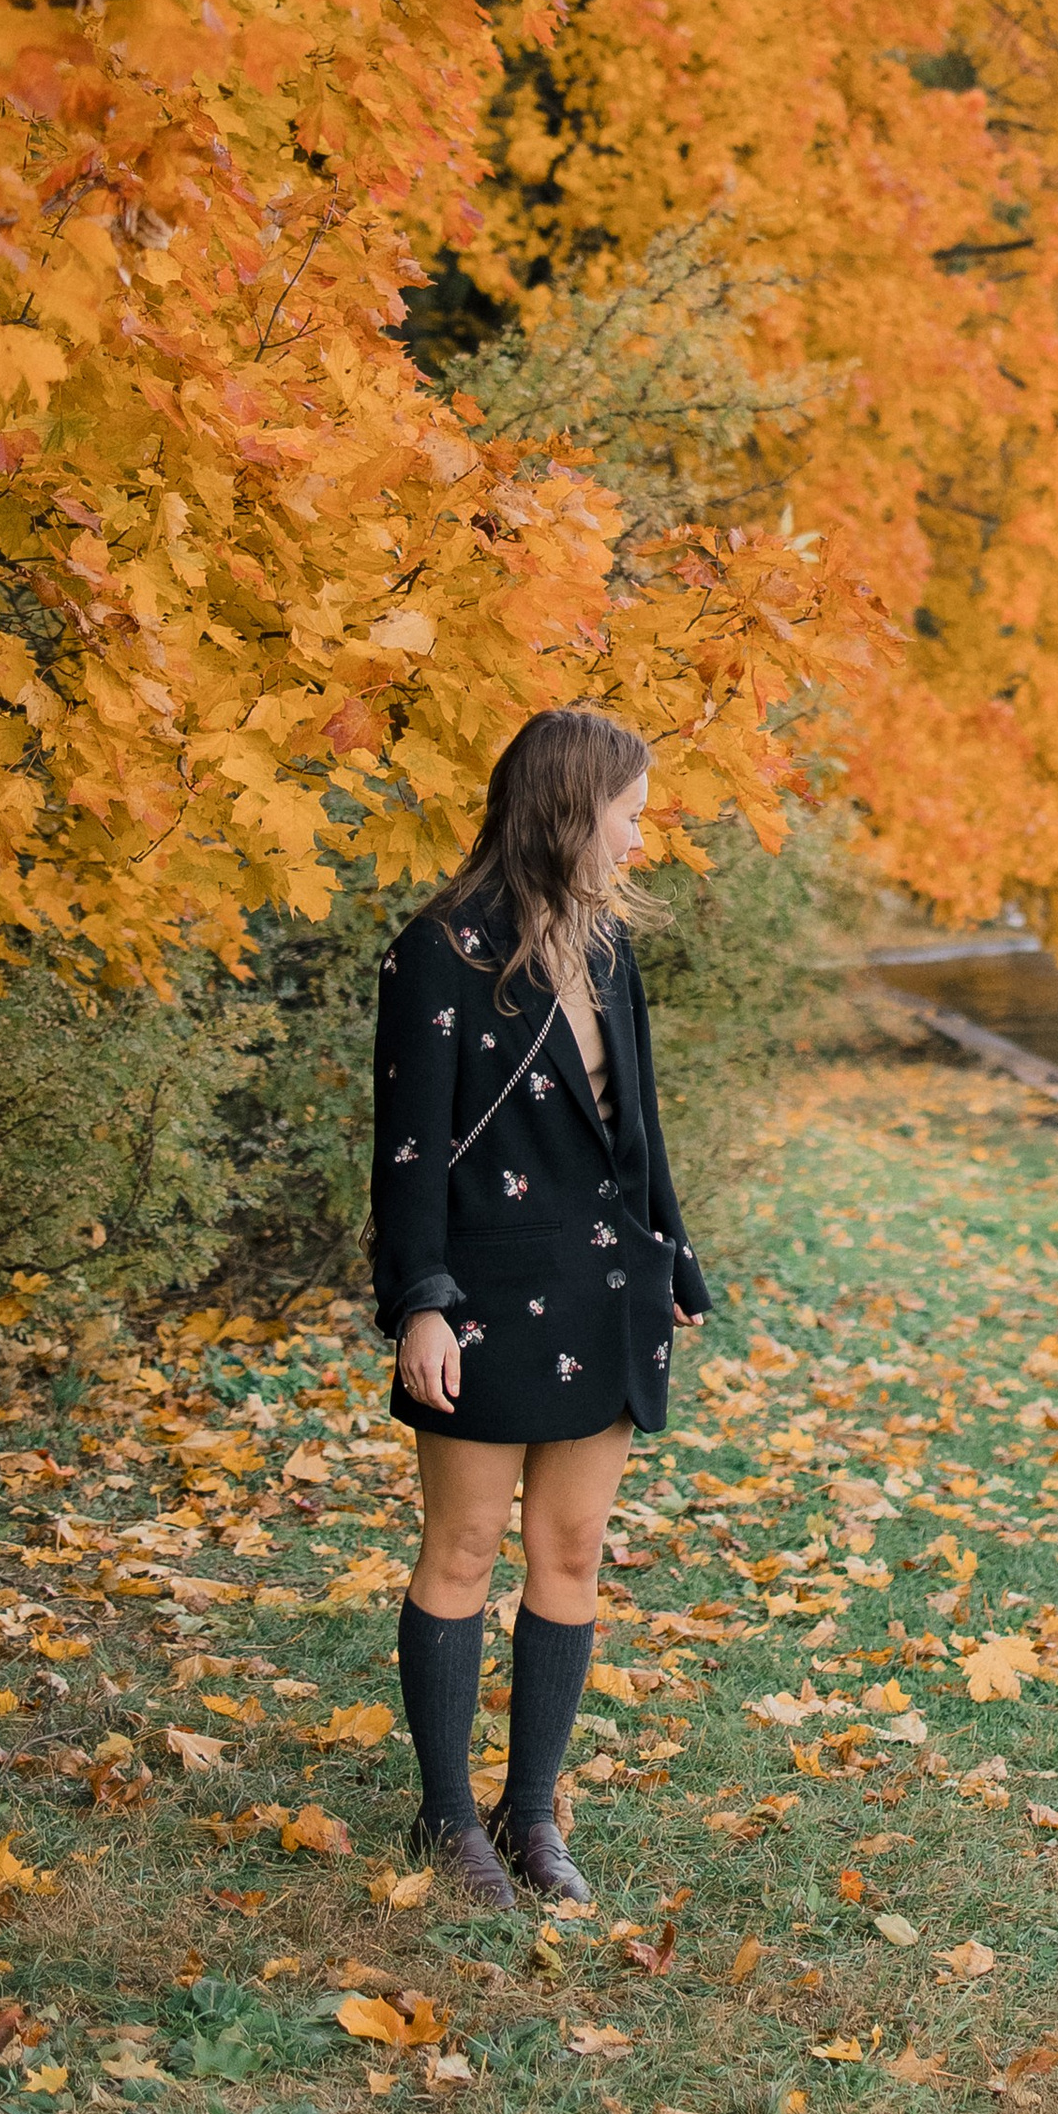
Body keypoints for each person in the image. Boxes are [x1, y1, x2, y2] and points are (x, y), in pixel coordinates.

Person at [371, 706, 709, 1909]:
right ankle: (449, 1817)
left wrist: (675, 1257)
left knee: (570, 1552)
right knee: (461, 1549)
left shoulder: (609, 946)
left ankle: (531, 1817)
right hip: (481, 1295)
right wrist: (418, 1302)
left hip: (603, 1282)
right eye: (630, 804)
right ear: (573, 803)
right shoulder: (438, 951)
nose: (640, 827)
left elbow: (639, 1124)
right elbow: (407, 1149)